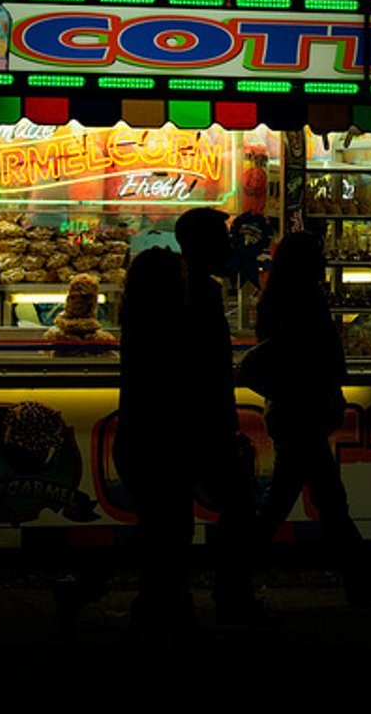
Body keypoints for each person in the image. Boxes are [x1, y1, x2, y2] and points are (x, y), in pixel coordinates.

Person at [113, 209, 263, 634]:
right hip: (187, 431)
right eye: (221, 238)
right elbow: (202, 373)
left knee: (166, 525)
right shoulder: (192, 298)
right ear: (200, 244)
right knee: (204, 515)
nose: (229, 247)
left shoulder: (157, 302)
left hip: (160, 433)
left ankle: (165, 603)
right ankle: (219, 598)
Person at [240, 232, 371, 604]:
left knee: (307, 498)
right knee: (322, 500)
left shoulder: (276, 300)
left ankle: (237, 576)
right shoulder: (303, 304)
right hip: (303, 412)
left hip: (291, 411)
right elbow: (313, 355)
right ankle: (236, 578)